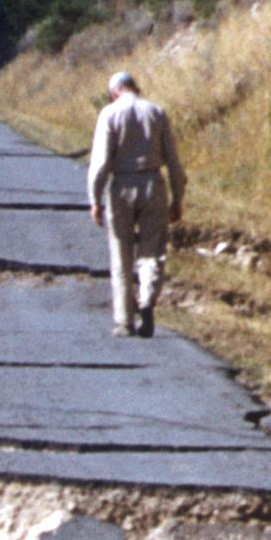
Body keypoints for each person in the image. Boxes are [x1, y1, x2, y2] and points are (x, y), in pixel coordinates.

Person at [86, 70, 185, 339]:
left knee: (121, 254)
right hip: (154, 184)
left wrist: (95, 199)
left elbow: (101, 163)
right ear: (135, 87)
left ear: (114, 92)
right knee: (152, 251)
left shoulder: (109, 113)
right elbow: (174, 161)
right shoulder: (157, 112)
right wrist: (178, 197)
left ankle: (124, 321)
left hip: (122, 187)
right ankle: (147, 301)